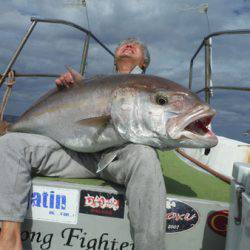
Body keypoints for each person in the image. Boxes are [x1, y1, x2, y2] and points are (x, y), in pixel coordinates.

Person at [0, 38, 166, 250]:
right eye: (124, 43)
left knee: (145, 157)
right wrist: (68, 90)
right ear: (115, 59)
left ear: (144, 62)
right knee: (9, 143)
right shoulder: (95, 83)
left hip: (120, 158)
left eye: (136, 45)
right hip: (78, 156)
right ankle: (9, 237)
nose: (129, 44)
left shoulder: (155, 88)